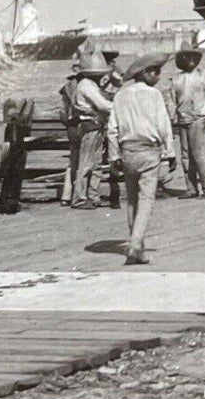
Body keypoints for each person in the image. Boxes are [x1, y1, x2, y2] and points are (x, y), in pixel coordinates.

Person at [106, 52, 177, 264]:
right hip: (149, 152)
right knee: (146, 199)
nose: (158, 75)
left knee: (132, 199)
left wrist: (113, 156)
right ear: (144, 73)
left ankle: (138, 249)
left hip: (128, 151)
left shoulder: (120, 95)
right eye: (155, 71)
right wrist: (171, 152)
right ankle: (135, 244)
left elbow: (112, 129)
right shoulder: (154, 95)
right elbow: (164, 125)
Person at [61, 45, 112, 209]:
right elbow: (102, 105)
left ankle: (92, 195)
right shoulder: (87, 85)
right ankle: (80, 198)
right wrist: (119, 104)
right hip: (90, 125)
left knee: (95, 164)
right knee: (87, 164)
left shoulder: (85, 84)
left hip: (93, 126)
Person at [168, 47, 205, 197]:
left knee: (197, 154)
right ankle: (191, 188)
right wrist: (170, 120)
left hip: (199, 118)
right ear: (181, 61)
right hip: (183, 119)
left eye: (192, 57)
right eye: (186, 57)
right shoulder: (176, 79)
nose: (190, 60)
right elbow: (172, 101)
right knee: (185, 155)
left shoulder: (204, 76)